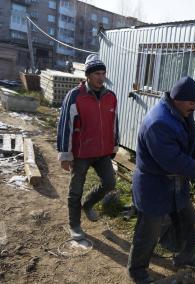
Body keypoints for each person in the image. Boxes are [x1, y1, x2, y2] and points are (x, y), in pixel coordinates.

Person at [127, 76, 195, 283]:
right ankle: (137, 270)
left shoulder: (182, 114)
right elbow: (173, 161)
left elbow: (191, 143)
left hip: (176, 183)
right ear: (177, 99)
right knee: (148, 231)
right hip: (154, 185)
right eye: (191, 103)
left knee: (187, 220)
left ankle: (184, 256)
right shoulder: (158, 123)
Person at [57, 54, 119, 240]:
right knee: (75, 190)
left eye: (103, 73)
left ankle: (88, 204)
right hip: (81, 153)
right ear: (88, 76)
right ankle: (74, 225)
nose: (101, 77)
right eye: (97, 73)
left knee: (109, 183)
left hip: (102, 152)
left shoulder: (111, 96)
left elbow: (114, 122)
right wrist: (65, 154)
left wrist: (114, 145)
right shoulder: (75, 96)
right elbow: (65, 125)